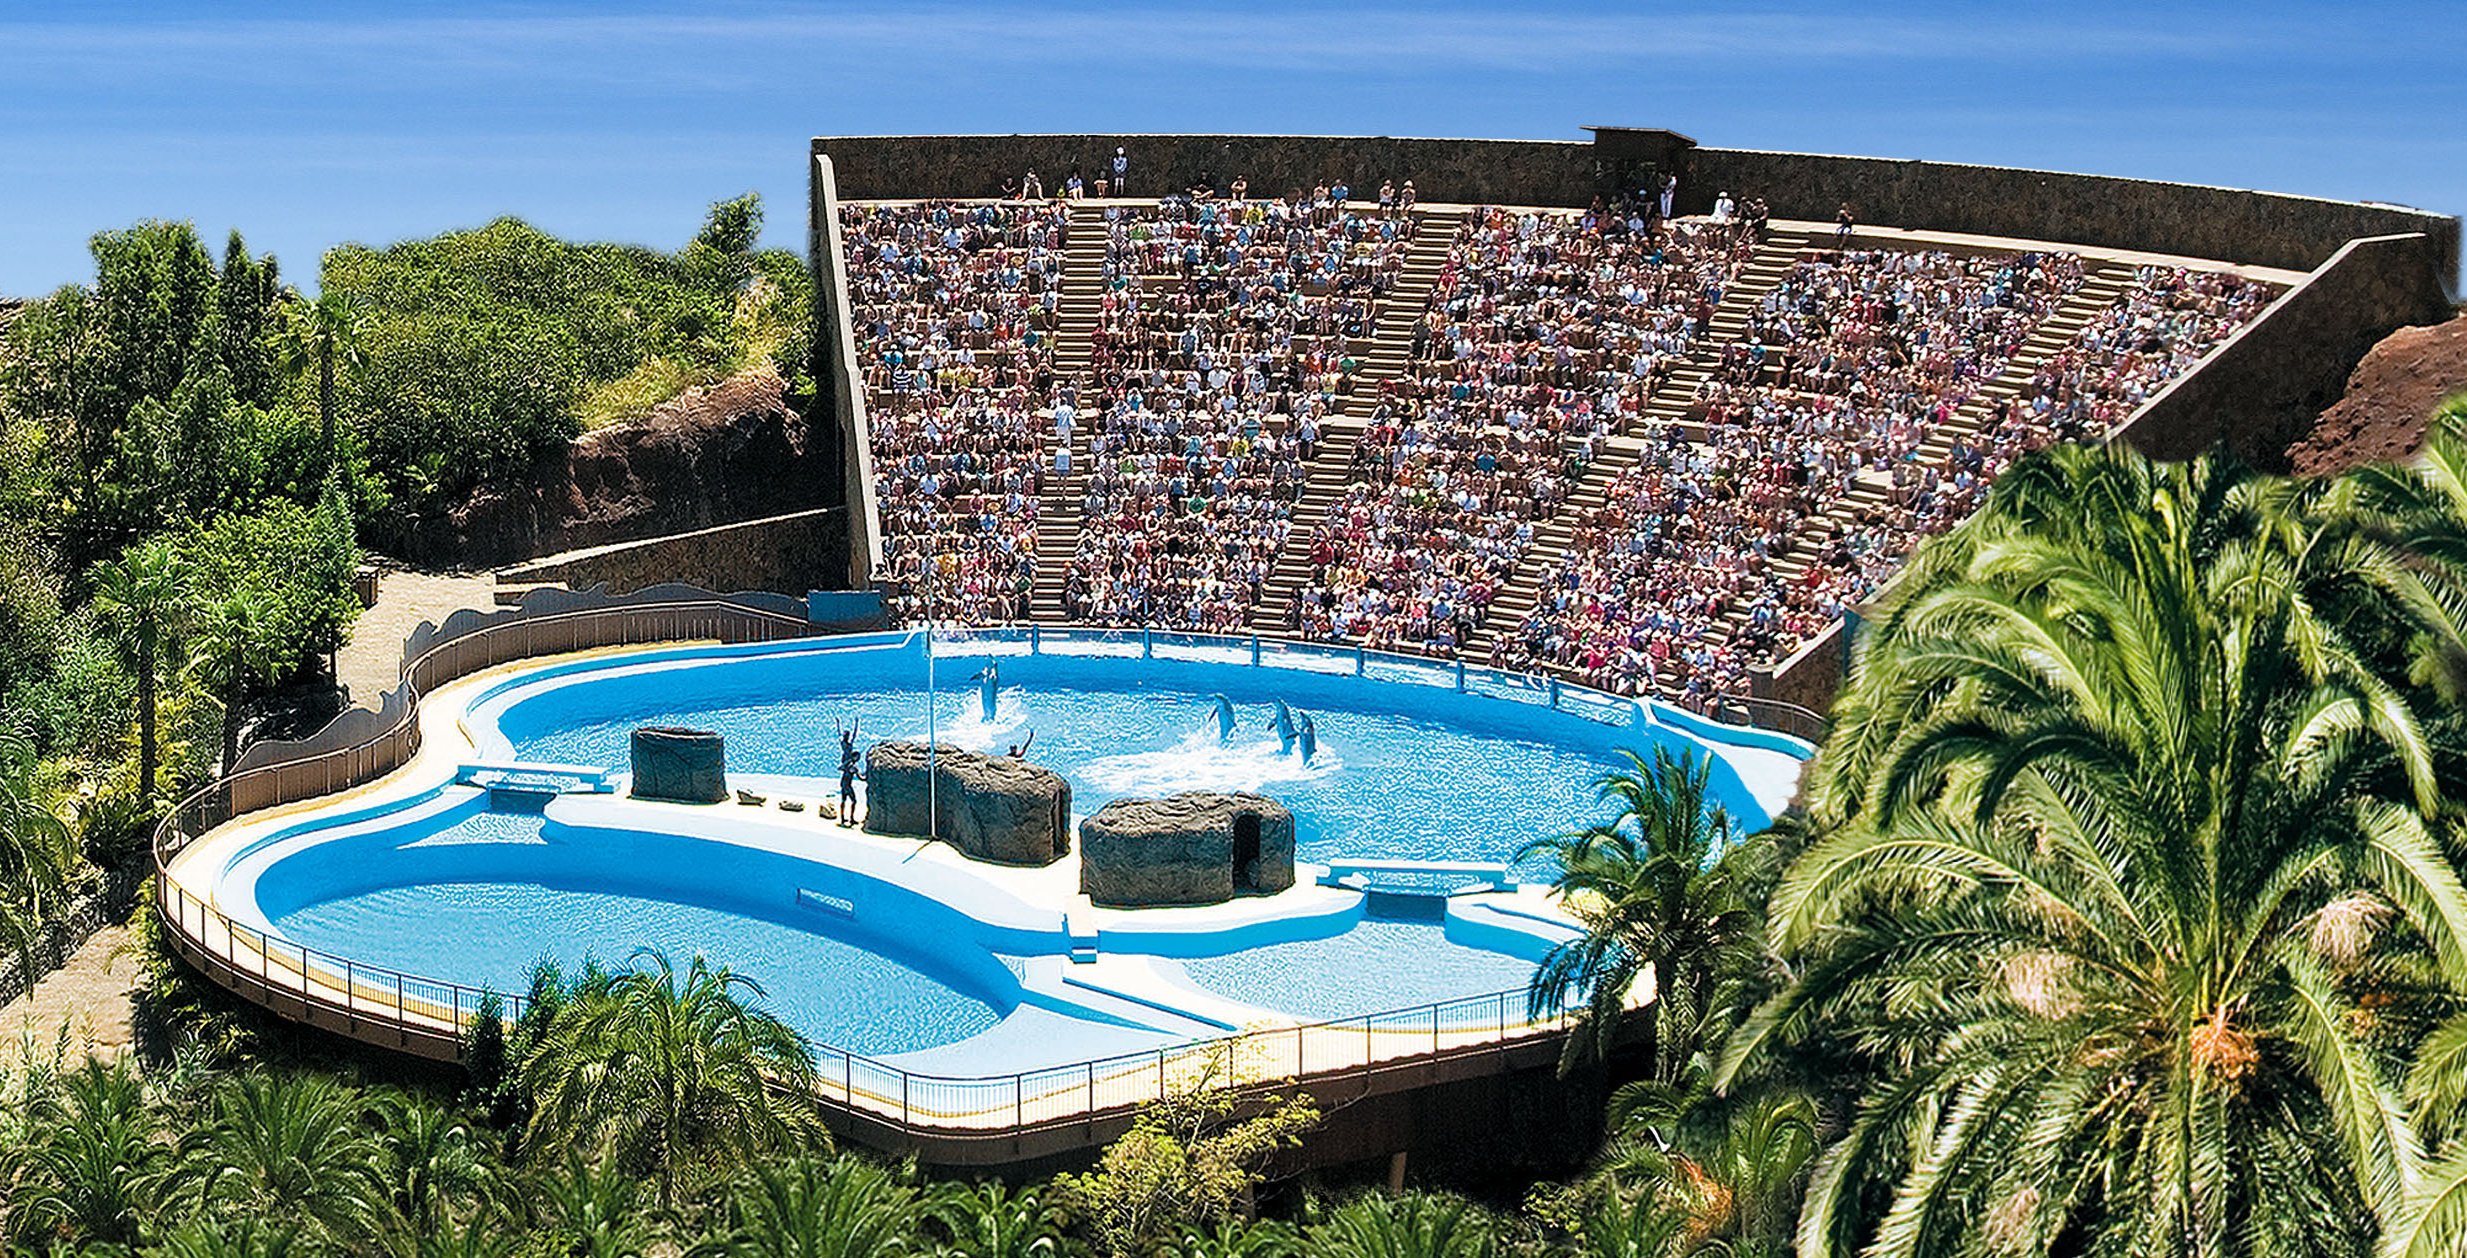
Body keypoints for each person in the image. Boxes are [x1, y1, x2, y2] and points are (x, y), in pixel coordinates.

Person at [837, 724, 864, 826]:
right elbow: (860, 777)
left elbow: (852, 737)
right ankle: (850, 818)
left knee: (844, 800)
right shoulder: (851, 765)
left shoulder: (849, 764)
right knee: (853, 801)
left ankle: (843, 818)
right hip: (847, 784)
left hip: (843, 783)